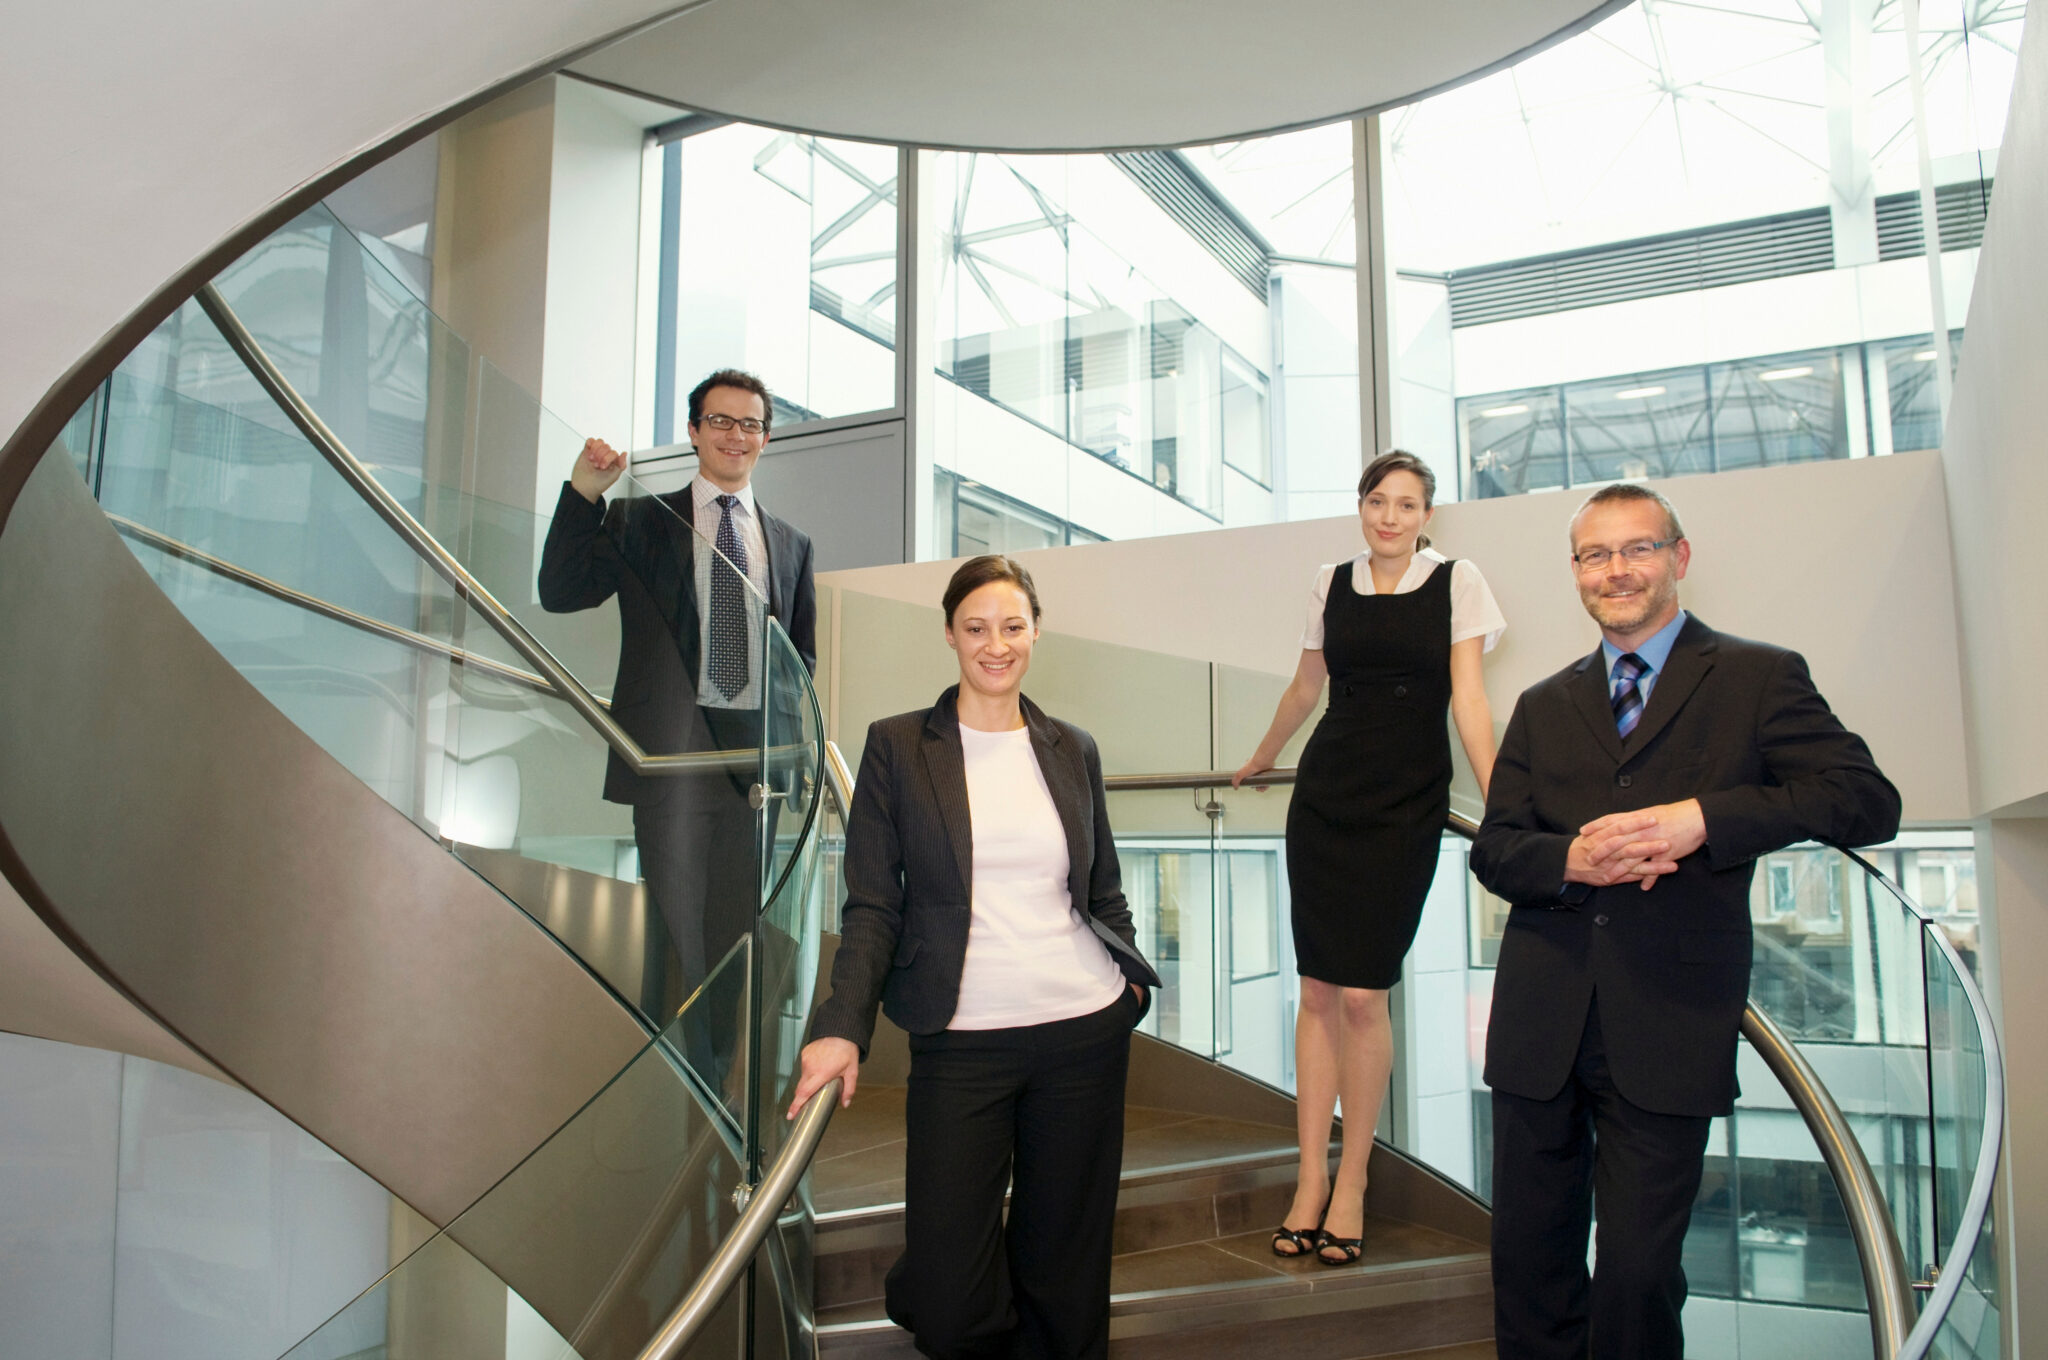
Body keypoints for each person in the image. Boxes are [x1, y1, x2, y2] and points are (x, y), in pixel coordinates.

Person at [1470, 482, 1900, 1360]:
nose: (1616, 570)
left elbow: (1865, 801)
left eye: (1637, 549)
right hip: (1540, 1021)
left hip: (1668, 1022)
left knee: (1635, 1275)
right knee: (1528, 1267)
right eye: (1596, 555)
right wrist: (1570, 862)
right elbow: (1496, 851)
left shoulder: (1757, 675)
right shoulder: (1545, 703)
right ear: (1577, 573)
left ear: (1679, 557)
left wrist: (1704, 819)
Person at [788, 555, 1160, 1360]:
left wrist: (1131, 985)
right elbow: (873, 902)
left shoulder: (1072, 747)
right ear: (951, 634)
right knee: (951, 1305)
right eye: (977, 628)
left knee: (1066, 1273)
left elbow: (1103, 891)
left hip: (1083, 1031)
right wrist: (841, 1023)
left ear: (1036, 631)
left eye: (1014, 627)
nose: (997, 645)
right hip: (961, 1038)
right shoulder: (898, 747)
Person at [1233, 450, 1503, 1266]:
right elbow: (1304, 687)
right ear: (1361, 507)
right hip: (1326, 796)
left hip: (1405, 804)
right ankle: (1309, 1178)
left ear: (1428, 516)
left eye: (1407, 505)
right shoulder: (1332, 580)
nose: (1390, 517)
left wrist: (1504, 807)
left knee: (1362, 996)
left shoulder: (1459, 581)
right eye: (1377, 501)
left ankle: (1352, 1180)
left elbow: (1470, 701)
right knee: (1316, 989)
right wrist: (1263, 755)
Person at [538, 368, 816, 1034]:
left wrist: (787, 759)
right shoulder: (642, 519)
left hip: (752, 775)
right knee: (675, 944)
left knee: (734, 945)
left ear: (766, 438)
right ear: (694, 432)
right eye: (719, 421)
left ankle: (719, 1103)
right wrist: (584, 493)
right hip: (671, 757)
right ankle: (671, 1097)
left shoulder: (791, 546)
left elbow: (799, 664)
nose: (735, 435)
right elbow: (562, 589)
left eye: (750, 424)